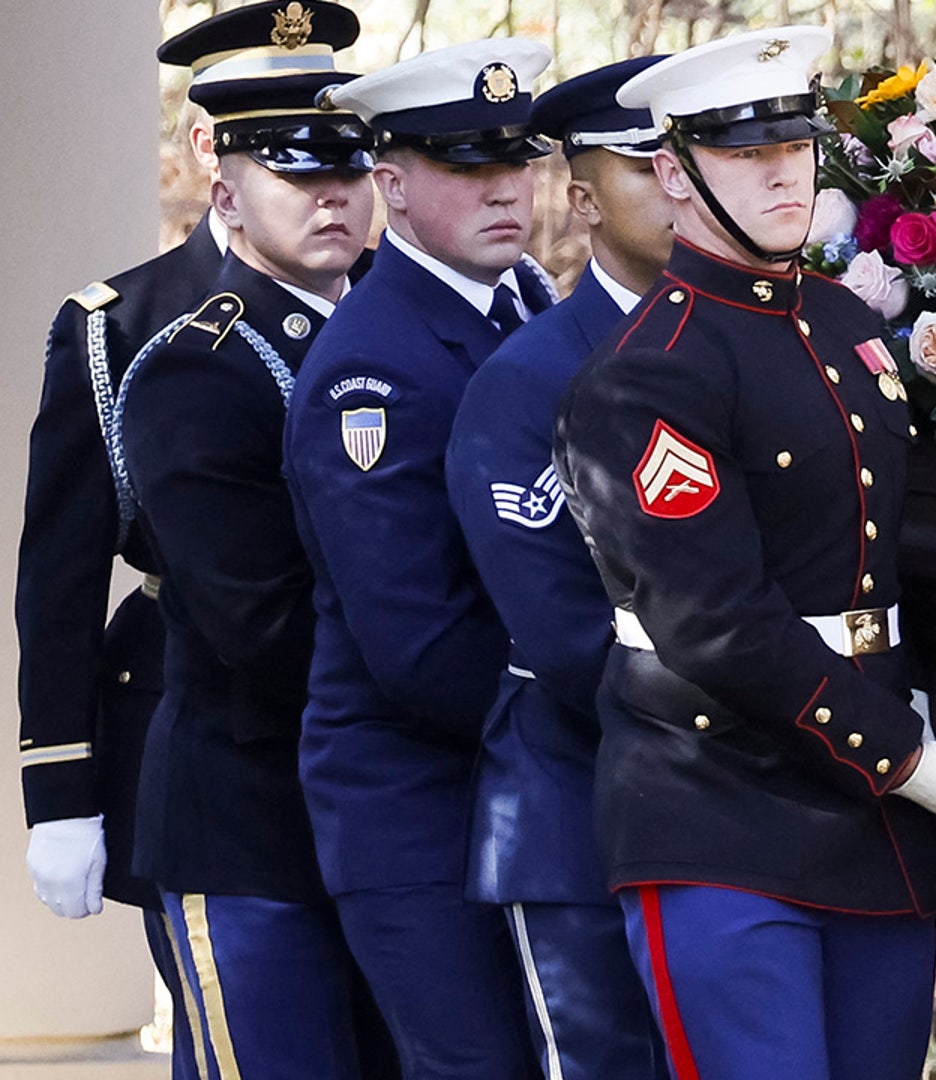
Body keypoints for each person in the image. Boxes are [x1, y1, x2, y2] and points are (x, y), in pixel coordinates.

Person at [553, 27, 936, 1080]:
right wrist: (903, 756)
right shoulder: (646, 377)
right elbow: (713, 621)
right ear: (673, 175)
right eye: (744, 152)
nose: (782, 173)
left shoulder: (845, 320)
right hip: (722, 805)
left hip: (871, 817)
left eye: (794, 146)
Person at [282, 35, 558, 1076]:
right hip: (420, 814)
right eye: (466, 167)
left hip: (517, 789)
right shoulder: (372, 368)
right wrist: (607, 707)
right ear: (391, 185)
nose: (504, 190)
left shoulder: (527, 302)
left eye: (516, 163)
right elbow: (416, 642)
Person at [115, 3, 379, 1070]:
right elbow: (259, 625)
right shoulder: (194, 364)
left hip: (389, 822)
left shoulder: (411, 333)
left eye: (347, 171)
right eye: (293, 173)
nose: (330, 197)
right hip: (252, 826)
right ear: (224, 186)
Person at [446, 54, 675, 1080]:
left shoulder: (777, 350)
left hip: (746, 825)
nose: (682, 185)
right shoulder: (529, 380)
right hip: (584, 819)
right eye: (646, 164)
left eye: (695, 156)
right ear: (580, 198)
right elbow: (567, 635)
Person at [19, 10, 236, 1075]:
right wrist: (58, 789)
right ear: (209, 148)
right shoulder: (119, 324)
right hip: (182, 720)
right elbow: (58, 577)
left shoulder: (401, 305)